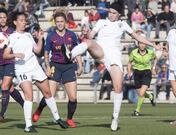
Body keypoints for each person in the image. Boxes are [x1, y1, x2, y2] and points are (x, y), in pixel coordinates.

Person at [70, 2, 158, 131]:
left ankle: (115, 117)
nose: (111, 15)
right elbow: (90, 36)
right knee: (88, 42)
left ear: (119, 14)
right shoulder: (101, 22)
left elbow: (137, 36)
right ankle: (69, 55)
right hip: (100, 51)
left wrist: (153, 45)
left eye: (114, 13)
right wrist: (87, 33)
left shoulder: (123, 24)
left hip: (114, 56)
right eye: (110, 12)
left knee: (118, 87)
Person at [3, 11, 68, 132]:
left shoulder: (28, 35)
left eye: (24, 20)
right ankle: (28, 125)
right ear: (15, 22)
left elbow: (37, 50)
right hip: (22, 69)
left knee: (48, 92)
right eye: (21, 20)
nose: (24, 22)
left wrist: (40, 38)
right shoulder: (11, 37)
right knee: (29, 96)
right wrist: (16, 54)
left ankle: (57, 118)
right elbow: (5, 55)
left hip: (35, 67)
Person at [32, 11, 83, 128]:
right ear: (55, 23)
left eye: (62, 21)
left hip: (69, 66)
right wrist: (47, 67)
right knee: (49, 94)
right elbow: (45, 54)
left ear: (65, 22)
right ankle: (39, 109)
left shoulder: (72, 35)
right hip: (55, 66)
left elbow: (78, 52)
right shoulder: (51, 36)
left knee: (73, 97)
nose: (59, 24)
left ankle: (69, 119)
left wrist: (80, 66)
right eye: (57, 22)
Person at [0, 8, 25, 123]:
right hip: (0, 63)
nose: (2, 19)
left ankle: (1, 115)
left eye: (4, 17)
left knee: (4, 87)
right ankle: (25, 106)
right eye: (0, 17)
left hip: (10, 61)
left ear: (7, 18)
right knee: (10, 89)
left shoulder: (12, 31)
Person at [127, 33, 157, 116]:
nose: (142, 45)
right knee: (140, 93)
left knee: (141, 93)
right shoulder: (133, 52)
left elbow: (155, 59)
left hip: (146, 73)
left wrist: (153, 68)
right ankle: (150, 96)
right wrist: (129, 72)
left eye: (144, 43)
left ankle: (137, 110)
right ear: (138, 44)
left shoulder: (151, 52)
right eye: (140, 43)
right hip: (137, 73)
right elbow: (129, 63)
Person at [166, 27, 176, 125]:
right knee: (175, 91)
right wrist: (166, 52)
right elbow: (167, 45)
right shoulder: (171, 32)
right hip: (172, 66)